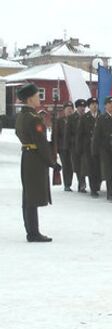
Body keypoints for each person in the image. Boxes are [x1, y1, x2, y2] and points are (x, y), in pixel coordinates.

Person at [15, 83, 59, 242]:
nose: (39, 98)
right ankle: (33, 233)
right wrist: (52, 162)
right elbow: (41, 144)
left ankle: (31, 230)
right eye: (36, 96)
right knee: (32, 197)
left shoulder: (21, 116)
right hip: (35, 159)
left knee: (28, 196)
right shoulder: (34, 119)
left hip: (27, 156)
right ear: (29, 99)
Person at [92, 97, 112, 202]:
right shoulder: (101, 118)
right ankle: (110, 193)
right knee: (109, 172)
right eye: (109, 103)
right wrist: (94, 151)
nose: (111, 105)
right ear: (105, 106)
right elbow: (96, 136)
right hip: (105, 149)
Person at [77, 97, 102, 197]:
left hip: (100, 146)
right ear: (89, 106)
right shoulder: (84, 118)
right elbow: (80, 134)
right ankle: (93, 189)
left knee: (99, 167)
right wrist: (79, 148)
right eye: (92, 104)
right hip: (88, 147)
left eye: (96, 104)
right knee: (92, 168)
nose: (94, 106)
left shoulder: (101, 116)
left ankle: (97, 185)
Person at [66, 99, 87, 192]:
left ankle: (84, 183)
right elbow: (67, 134)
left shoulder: (87, 117)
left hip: (86, 146)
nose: (82, 108)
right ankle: (81, 183)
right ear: (77, 107)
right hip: (74, 146)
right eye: (80, 107)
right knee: (78, 165)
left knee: (85, 164)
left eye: (83, 107)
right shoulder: (71, 118)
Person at [53, 102, 74, 191]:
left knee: (72, 165)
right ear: (64, 110)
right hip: (63, 147)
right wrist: (55, 148)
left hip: (73, 147)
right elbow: (55, 135)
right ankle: (67, 184)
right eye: (67, 108)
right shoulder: (60, 121)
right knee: (66, 165)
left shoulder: (76, 120)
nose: (69, 110)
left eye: (71, 108)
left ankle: (70, 182)